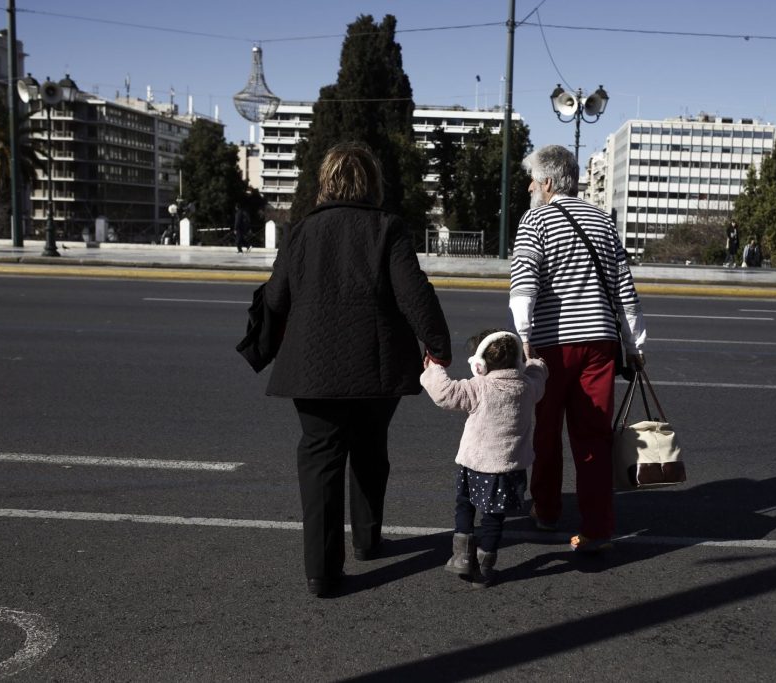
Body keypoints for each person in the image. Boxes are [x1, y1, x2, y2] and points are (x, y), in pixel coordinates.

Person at [262, 142, 452, 598]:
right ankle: (367, 541)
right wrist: (438, 347)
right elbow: (414, 293)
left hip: (310, 366)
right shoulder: (387, 227)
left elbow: (275, 297)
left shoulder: (302, 231)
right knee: (370, 448)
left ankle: (322, 573)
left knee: (320, 458)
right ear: (372, 184)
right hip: (375, 365)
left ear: (325, 182)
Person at [510, 144, 647, 553]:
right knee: (593, 436)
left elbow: (524, 285)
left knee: (546, 432)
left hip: (552, 345)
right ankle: (597, 528)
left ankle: (547, 510)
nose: (530, 187)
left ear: (549, 182)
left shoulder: (535, 220)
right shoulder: (603, 220)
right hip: (600, 343)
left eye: (533, 180)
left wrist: (524, 338)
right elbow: (625, 290)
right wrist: (634, 344)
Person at [420, 329, 548, 587]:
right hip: (508, 468)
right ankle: (484, 568)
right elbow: (539, 373)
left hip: (474, 464)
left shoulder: (479, 387)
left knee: (465, 504)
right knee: (494, 518)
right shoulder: (527, 386)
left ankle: (462, 556)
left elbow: (445, 393)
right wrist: (535, 360)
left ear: (479, 364)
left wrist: (434, 367)